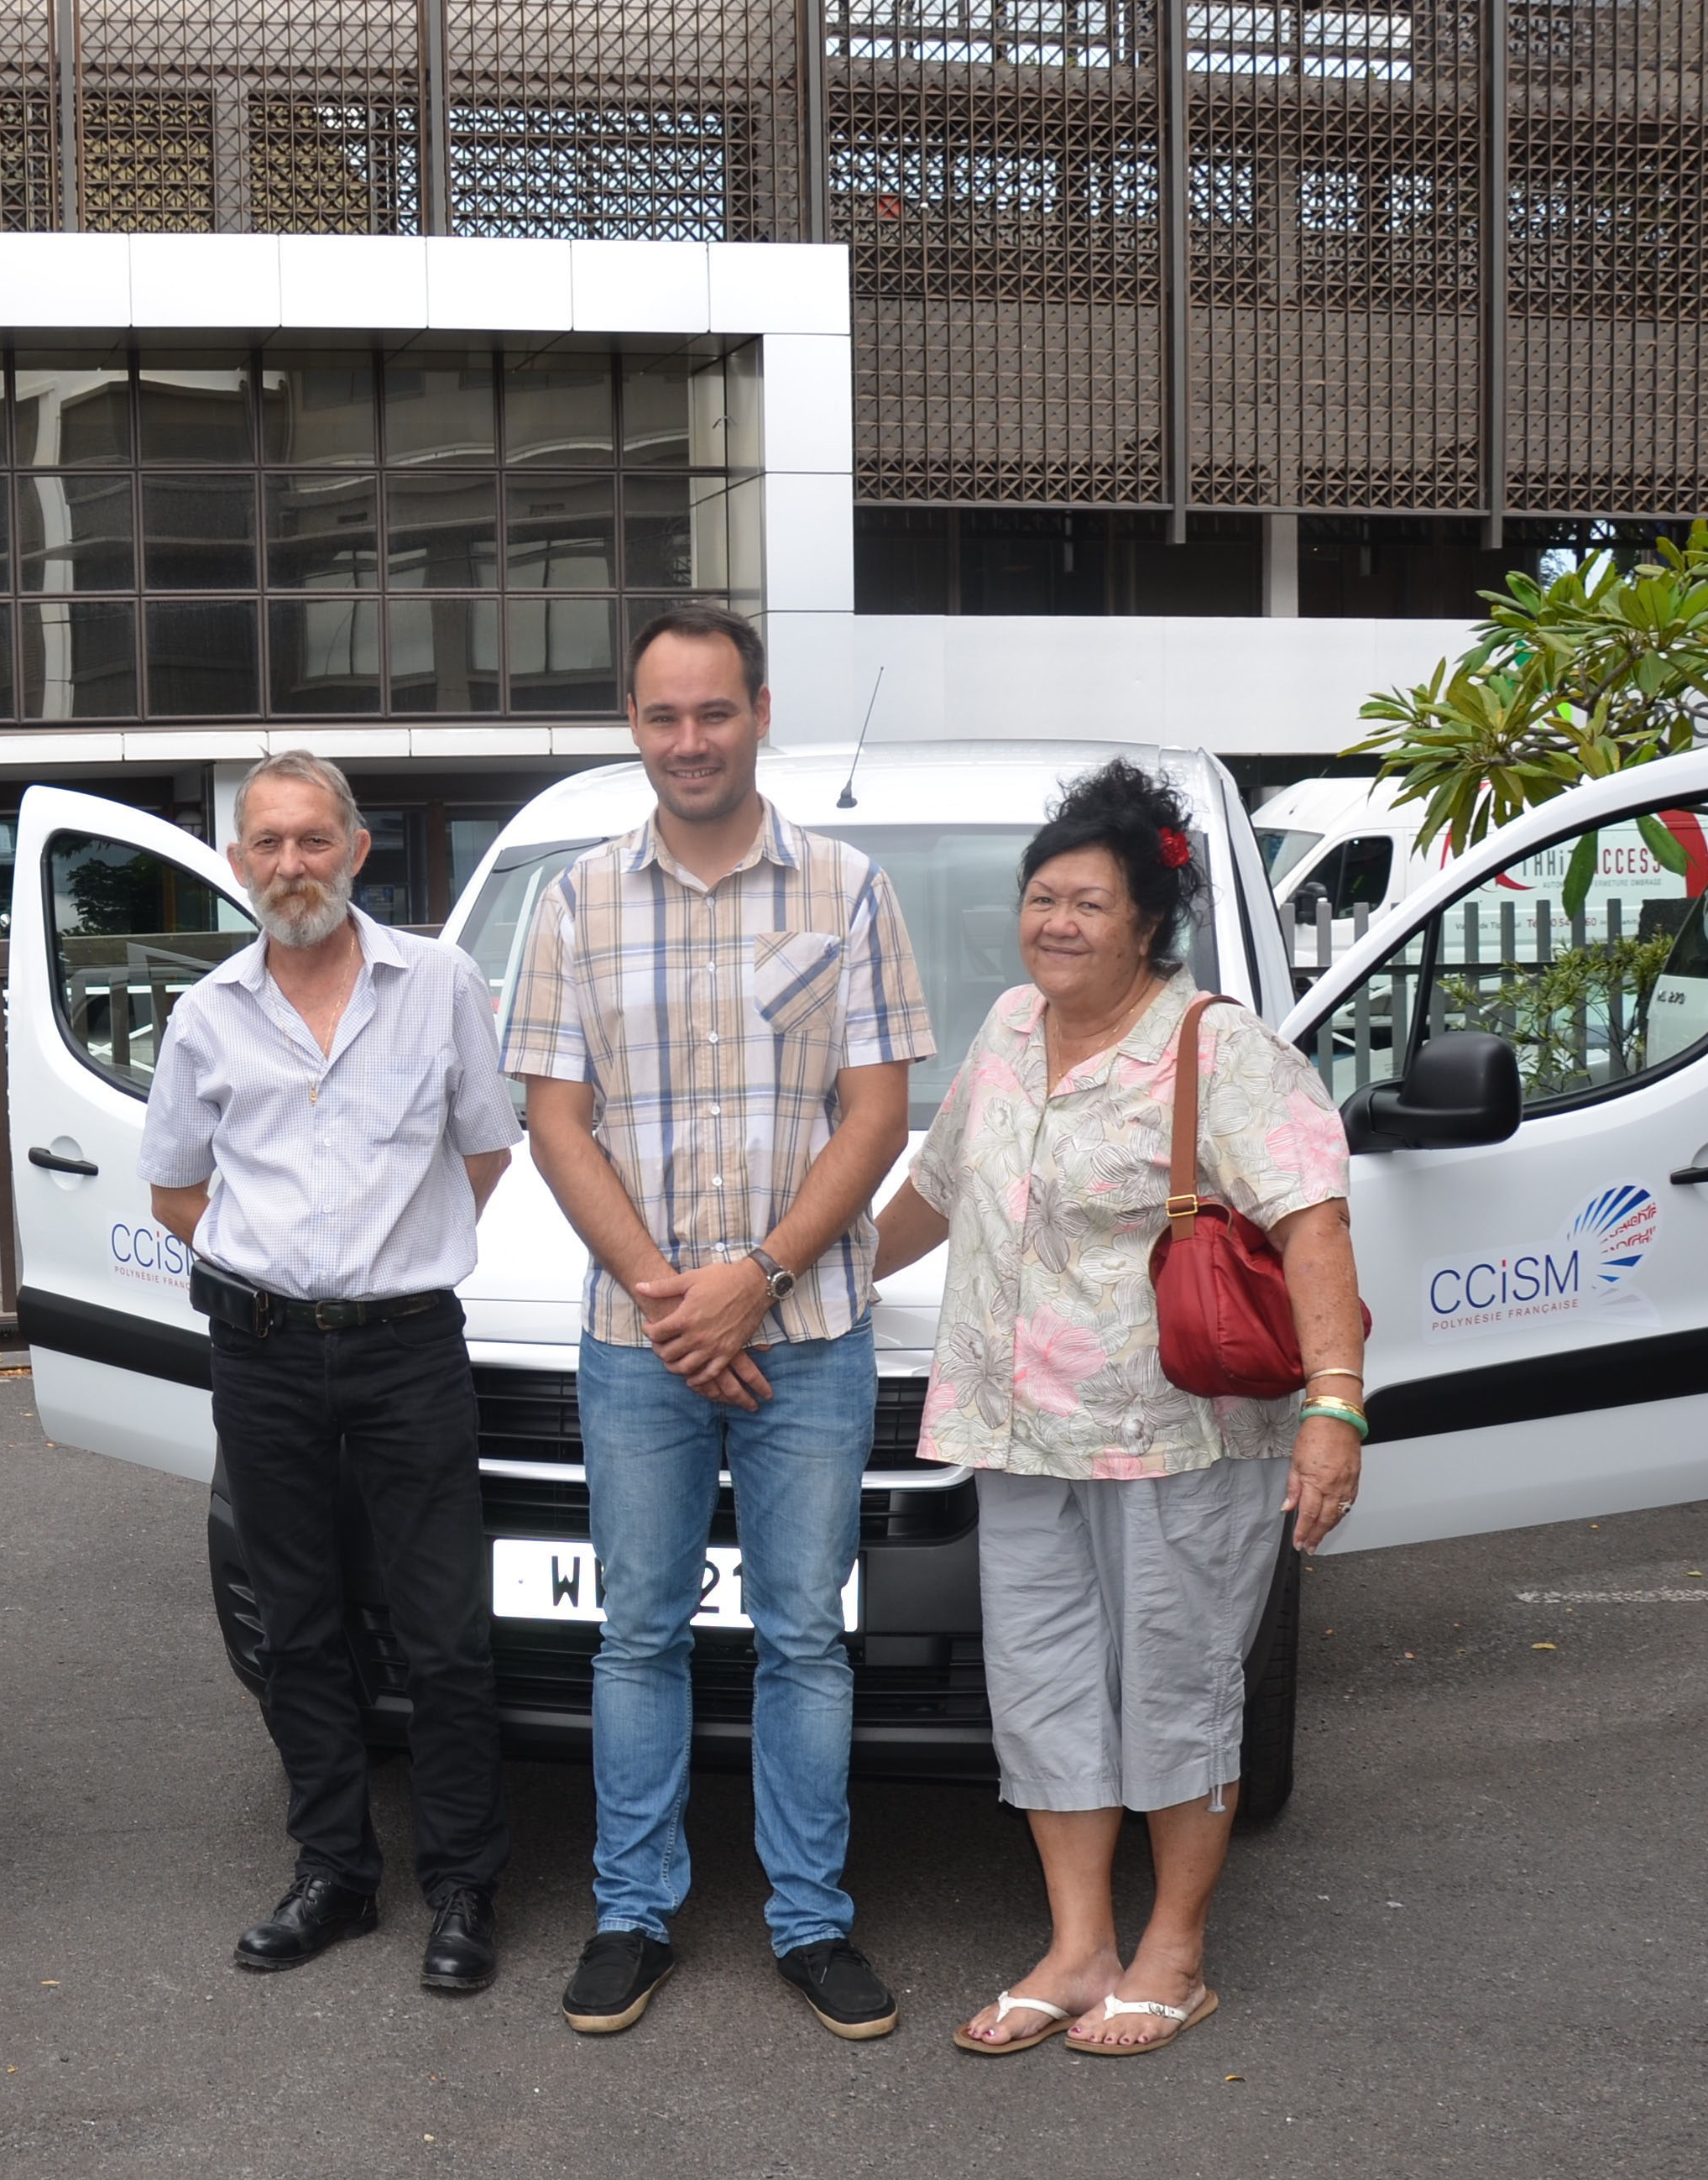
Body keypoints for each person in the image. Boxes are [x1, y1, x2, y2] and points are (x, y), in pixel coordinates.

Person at [872, 758, 1365, 2059]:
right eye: (1042, 898)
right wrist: (804, 1276)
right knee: (1044, 1691)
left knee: (1178, 1687)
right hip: (1016, 1433)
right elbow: (938, 1191)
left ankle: (1176, 1951)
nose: (1057, 924)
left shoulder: (1217, 1048)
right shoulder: (1005, 1031)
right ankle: (1080, 1944)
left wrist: (1336, 1407)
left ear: (1149, 919)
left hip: (1174, 1440)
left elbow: (1312, 1222)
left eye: (1088, 902)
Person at [499, 601, 934, 2044]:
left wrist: (754, 1273)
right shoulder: (570, 900)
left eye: (715, 712)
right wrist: (668, 1298)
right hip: (637, 1348)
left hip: (808, 1330)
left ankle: (811, 1924)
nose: (690, 741)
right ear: (634, 725)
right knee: (638, 1636)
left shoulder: (848, 889)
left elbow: (878, 1114)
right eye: (663, 716)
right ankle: (633, 1914)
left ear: (760, 712)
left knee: (807, 1638)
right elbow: (554, 1121)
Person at [137, 750, 518, 1992]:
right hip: (259, 1350)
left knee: (446, 1629)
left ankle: (462, 1886)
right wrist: (286, 1266)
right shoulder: (207, 1015)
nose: (290, 864)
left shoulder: (441, 982)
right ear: (239, 863)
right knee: (298, 1627)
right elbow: (179, 1189)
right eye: (267, 844)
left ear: (357, 850)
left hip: (408, 1348)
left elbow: (485, 1150)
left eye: (313, 840)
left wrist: (380, 1260)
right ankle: (336, 1875)